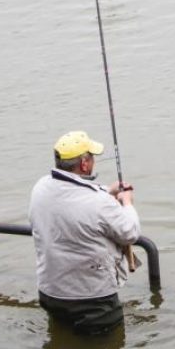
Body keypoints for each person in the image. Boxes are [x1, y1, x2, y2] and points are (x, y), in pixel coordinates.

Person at [29, 130, 140, 334]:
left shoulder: (40, 188)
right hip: (93, 302)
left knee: (60, 346)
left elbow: (73, 200)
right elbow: (130, 232)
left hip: (50, 294)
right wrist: (127, 203)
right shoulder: (99, 202)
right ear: (84, 164)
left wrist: (108, 191)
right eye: (92, 157)